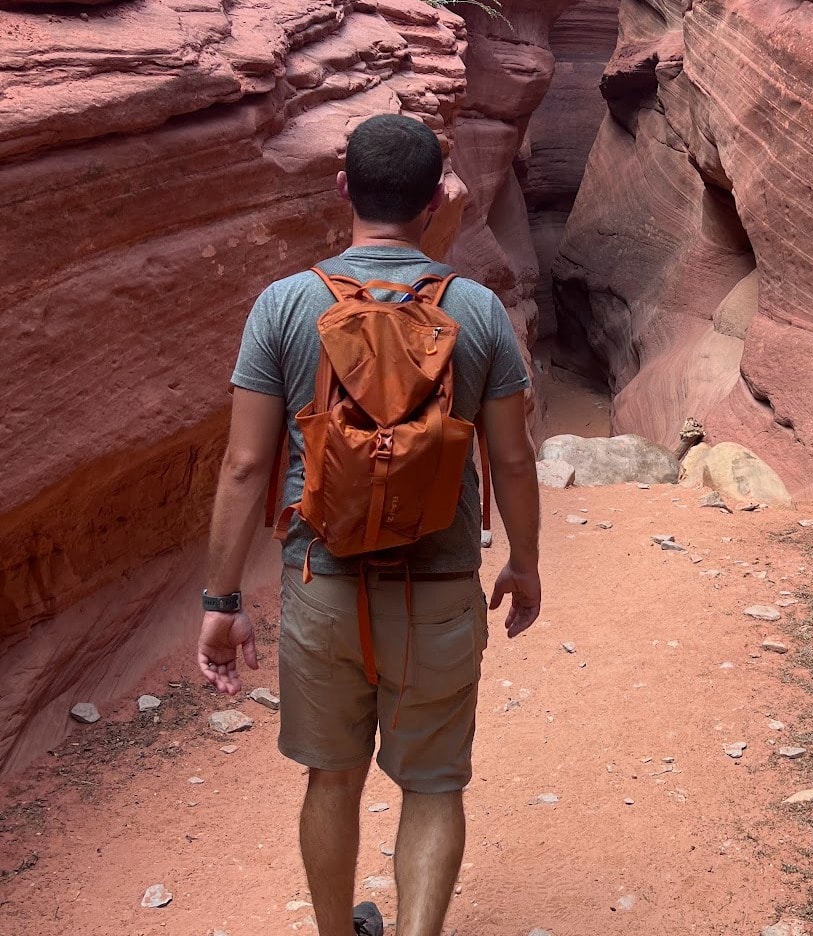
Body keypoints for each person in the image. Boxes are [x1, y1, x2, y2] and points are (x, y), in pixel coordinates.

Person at [195, 113, 542, 936]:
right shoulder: (480, 312)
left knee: (332, 776)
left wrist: (221, 598)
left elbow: (245, 466)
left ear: (344, 186)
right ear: (436, 200)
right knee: (433, 785)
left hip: (324, 585)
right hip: (441, 589)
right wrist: (523, 561)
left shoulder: (284, 305)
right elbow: (514, 460)